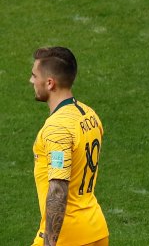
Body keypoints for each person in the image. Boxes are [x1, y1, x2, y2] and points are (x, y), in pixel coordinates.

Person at [29, 47, 109, 246]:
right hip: (96, 230)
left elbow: (58, 189)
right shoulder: (89, 115)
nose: (31, 81)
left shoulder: (58, 128)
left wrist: (49, 243)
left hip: (68, 237)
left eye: (34, 75)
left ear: (49, 83)